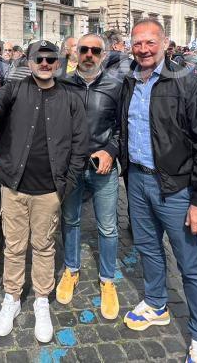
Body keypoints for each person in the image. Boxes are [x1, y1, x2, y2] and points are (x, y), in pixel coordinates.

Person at [120, 19, 197, 363]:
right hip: (137, 179)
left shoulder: (188, 83)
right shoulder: (128, 80)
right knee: (148, 248)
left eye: (150, 43)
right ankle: (155, 303)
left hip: (178, 187)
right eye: (137, 44)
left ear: (165, 43)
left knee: (191, 265)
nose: (144, 50)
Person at [0, 40, 89, 344]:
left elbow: (81, 144)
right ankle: (12, 297)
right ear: (28, 62)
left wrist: (65, 184)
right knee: (14, 247)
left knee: (43, 246)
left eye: (49, 58)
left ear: (58, 62)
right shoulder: (14, 89)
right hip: (14, 185)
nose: (44, 63)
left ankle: (42, 299)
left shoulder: (70, 95)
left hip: (49, 189)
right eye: (38, 58)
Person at [56, 33, 123, 319]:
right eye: (84, 49)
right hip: (72, 167)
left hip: (102, 167)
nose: (89, 55)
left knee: (107, 227)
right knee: (70, 220)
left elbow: (124, 127)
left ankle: (107, 279)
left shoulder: (116, 86)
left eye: (95, 51)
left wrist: (111, 149)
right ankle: (71, 269)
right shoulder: (62, 84)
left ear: (104, 55)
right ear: (75, 53)